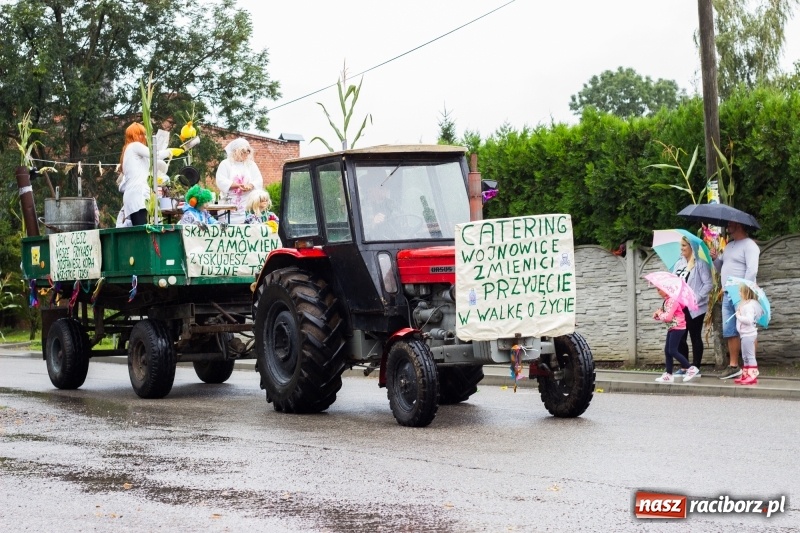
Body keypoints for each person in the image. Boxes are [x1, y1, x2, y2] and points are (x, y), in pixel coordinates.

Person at [710, 221, 760, 380]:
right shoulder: (729, 246)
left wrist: (743, 291)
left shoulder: (750, 245)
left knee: (747, 330)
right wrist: (715, 259)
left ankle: (750, 366)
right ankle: (734, 366)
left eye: (730, 224)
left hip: (742, 294)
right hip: (727, 293)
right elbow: (721, 268)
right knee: (730, 330)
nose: (727, 226)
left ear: (739, 225)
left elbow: (752, 270)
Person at [118, 122, 180, 226]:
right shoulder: (135, 146)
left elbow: (153, 161)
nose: (145, 137)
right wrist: (170, 152)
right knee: (143, 231)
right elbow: (155, 155)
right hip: (138, 196)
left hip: (134, 197)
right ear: (135, 135)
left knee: (141, 229)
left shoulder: (129, 151)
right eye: (142, 134)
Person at [671, 237, 713, 376]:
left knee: (695, 336)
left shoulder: (700, 264)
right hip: (680, 306)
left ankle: (695, 367)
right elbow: (673, 282)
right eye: (681, 246)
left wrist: (696, 297)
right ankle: (684, 367)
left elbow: (708, 284)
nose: (681, 248)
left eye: (684, 245)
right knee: (681, 337)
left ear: (691, 247)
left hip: (695, 307)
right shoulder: (679, 264)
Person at [652, 287, 700, 383]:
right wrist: (658, 315)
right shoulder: (667, 301)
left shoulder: (672, 301)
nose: (658, 292)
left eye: (659, 290)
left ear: (666, 290)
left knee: (673, 351)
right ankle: (668, 374)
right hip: (672, 328)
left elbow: (668, 317)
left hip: (678, 328)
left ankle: (691, 368)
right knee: (667, 351)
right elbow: (667, 315)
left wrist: (660, 313)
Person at [215, 138, 263, 224]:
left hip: (246, 205)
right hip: (228, 206)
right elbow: (220, 180)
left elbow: (259, 180)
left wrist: (250, 185)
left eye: (247, 152)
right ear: (235, 151)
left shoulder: (251, 165)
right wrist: (236, 185)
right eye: (243, 152)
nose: (246, 154)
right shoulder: (225, 164)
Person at [733, 283, 763, 385]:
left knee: (750, 356)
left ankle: (752, 375)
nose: (739, 293)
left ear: (746, 292)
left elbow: (749, 320)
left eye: (740, 291)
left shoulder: (750, 306)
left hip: (748, 334)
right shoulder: (745, 304)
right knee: (745, 356)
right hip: (744, 334)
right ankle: (746, 375)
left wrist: (738, 316)